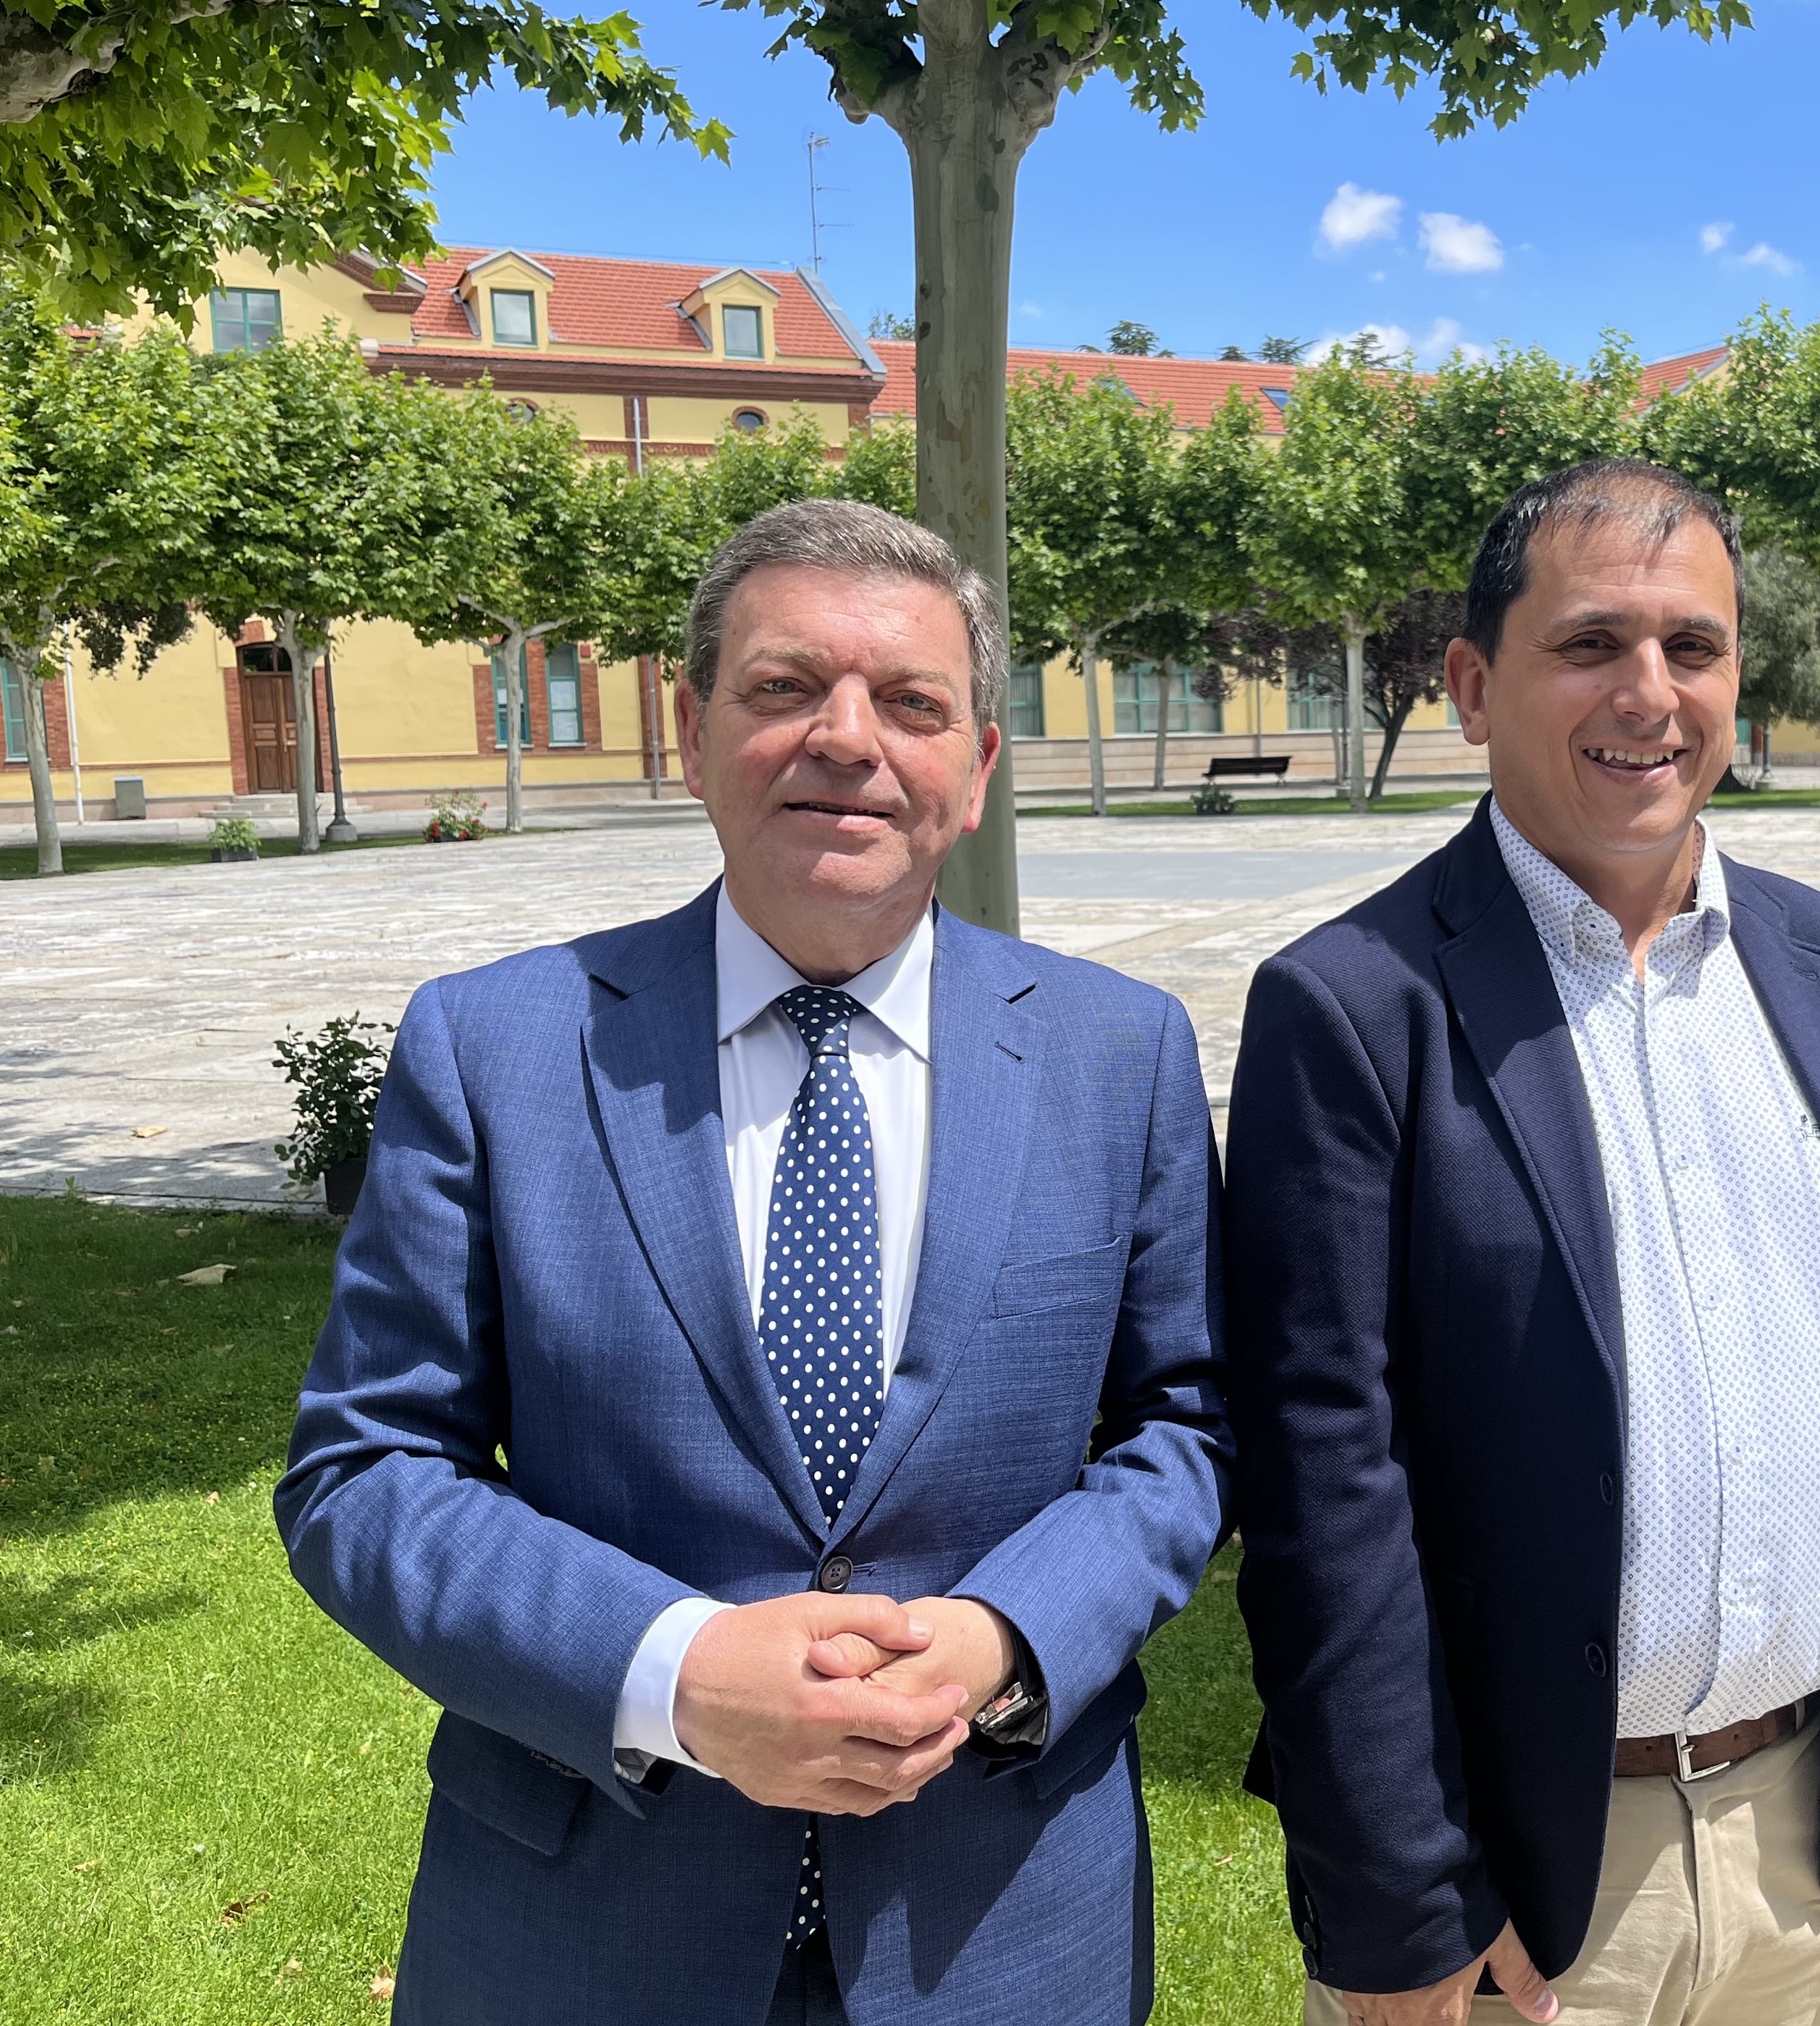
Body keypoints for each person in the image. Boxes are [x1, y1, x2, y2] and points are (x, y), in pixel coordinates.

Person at [274, 499, 1230, 2025]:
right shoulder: (497, 1046)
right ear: (692, 729)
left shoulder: (1122, 1054)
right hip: (586, 1927)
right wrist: (673, 1668)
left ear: (977, 767)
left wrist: (1006, 1635)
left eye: (912, 703)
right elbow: (367, 1468)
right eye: (786, 687)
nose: (847, 739)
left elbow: (1183, 1428)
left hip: (998, 1925)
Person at [1226, 459, 1820, 2026]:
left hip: (1809, 1843)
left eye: (1692, 647)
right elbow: (1321, 1489)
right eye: (1588, 645)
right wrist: (1403, 1891)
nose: (1648, 693)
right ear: (1470, 682)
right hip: (1522, 1876)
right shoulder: (1353, 1009)